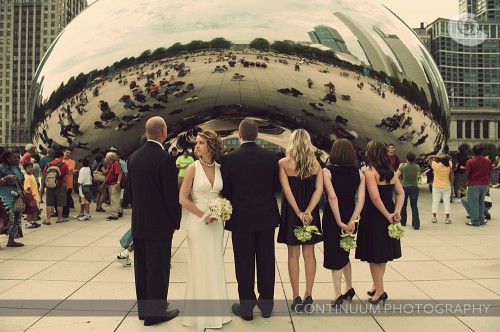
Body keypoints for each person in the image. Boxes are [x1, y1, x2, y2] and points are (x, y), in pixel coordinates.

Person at [221, 118, 280, 321]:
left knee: (243, 262)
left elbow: (226, 191)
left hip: (241, 219)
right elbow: (276, 187)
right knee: (266, 261)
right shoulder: (271, 158)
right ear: (257, 135)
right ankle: (266, 304)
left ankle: (246, 307)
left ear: (239, 135)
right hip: (266, 217)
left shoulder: (229, 159)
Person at [128, 116, 181, 326]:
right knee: (158, 269)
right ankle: (156, 313)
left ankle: (144, 310)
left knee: (141, 269)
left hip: (139, 222)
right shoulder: (165, 159)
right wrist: (175, 221)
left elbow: (131, 193)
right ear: (164, 132)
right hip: (159, 225)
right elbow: (171, 196)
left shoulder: (133, 157)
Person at [179, 130, 231, 329]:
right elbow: (183, 198)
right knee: (199, 265)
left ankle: (217, 312)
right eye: (196, 143)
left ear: (211, 146)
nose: (196, 146)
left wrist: (222, 210)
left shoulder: (219, 168)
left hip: (217, 224)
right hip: (198, 223)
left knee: (214, 263)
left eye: (201, 143)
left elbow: (223, 194)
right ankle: (199, 315)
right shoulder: (192, 168)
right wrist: (203, 215)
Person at [277, 129, 324, 313]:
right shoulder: (316, 165)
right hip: (310, 213)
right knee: (310, 255)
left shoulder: (283, 163)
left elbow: (286, 191)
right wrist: (308, 212)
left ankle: (296, 296)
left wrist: (298, 212)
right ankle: (308, 293)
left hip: (292, 212)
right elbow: (319, 190)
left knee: (293, 255)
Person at [355, 140, 404, 305]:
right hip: (388, 212)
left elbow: (375, 198)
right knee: (382, 254)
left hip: (374, 216)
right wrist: (395, 212)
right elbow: (400, 193)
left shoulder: (370, 172)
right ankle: (377, 286)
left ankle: (380, 291)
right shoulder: (391, 172)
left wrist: (387, 215)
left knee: (374, 256)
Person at [322, 139, 365, 307]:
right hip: (351, 214)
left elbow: (332, 197)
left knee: (334, 254)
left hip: (334, 216)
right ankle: (349, 288)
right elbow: (360, 200)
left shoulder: (327, 171)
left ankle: (337, 294)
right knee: (345, 252)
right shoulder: (358, 173)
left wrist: (339, 220)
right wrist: (353, 220)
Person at [461, 144, 493, 227]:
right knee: (481, 202)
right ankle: (481, 219)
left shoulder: (470, 161)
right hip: (485, 184)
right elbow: (490, 173)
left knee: (474, 203)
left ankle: (475, 221)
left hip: (474, 184)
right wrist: (488, 182)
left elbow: (466, 174)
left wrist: (463, 185)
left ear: (473, 152)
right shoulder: (488, 161)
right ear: (482, 152)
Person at [0, 150, 25, 247]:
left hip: (16, 195)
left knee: (15, 218)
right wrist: (6, 178)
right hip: (4, 196)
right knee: (6, 218)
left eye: (18, 157)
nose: (17, 159)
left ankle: (11, 240)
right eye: (15, 157)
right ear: (7, 158)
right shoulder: (2, 167)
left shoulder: (17, 168)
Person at [43, 150, 71, 225]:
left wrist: (44, 186)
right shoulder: (64, 165)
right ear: (61, 157)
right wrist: (67, 186)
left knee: (49, 203)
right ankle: (59, 218)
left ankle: (48, 219)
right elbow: (67, 176)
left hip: (49, 186)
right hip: (60, 186)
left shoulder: (48, 164)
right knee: (60, 203)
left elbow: (44, 175)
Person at [396, 152, 421, 229]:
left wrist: (399, 167)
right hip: (414, 186)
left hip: (404, 187)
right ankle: (416, 224)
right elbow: (417, 176)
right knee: (414, 206)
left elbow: (396, 176)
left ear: (406, 159)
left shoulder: (403, 167)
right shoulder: (417, 167)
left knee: (403, 205)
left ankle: (403, 221)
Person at [427, 154, 453, 224]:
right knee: (447, 202)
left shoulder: (436, 165)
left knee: (435, 202)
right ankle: (447, 218)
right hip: (447, 186)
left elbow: (429, 157)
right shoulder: (449, 165)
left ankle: (434, 218)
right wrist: (444, 156)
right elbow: (450, 157)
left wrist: (437, 156)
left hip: (436, 186)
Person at [104, 152, 122, 221]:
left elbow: (119, 173)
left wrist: (118, 182)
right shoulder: (111, 164)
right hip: (111, 184)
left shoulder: (115, 164)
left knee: (114, 199)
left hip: (114, 184)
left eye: (106, 157)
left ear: (109, 158)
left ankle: (114, 214)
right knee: (115, 199)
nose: (105, 158)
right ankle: (119, 211)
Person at [23, 162, 41, 229]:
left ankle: (32, 222)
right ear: (25, 169)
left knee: (34, 210)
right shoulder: (27, 177)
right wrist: (31, 197)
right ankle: (28, 223)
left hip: (35, 195)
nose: (30, 169)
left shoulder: (31, 175)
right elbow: (27, 188)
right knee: (29, 211)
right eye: (28, 167)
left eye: (31, 167)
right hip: (30, 196)